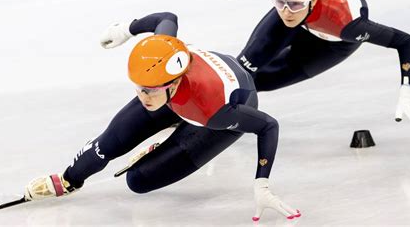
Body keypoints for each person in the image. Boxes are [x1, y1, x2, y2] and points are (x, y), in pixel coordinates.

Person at [21, 12, 301, 221]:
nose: (144, 97)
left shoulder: (214, 112)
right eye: (140, 89)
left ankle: (172, 137)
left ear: (174, 84)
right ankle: (71, 180)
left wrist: (262, 181)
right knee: (108, 143)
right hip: (180, 93)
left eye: (150, 91)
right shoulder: (161, 61)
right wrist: (127, 30)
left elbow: (268, 125)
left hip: (221, 106)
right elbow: (167, 18)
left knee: (139, 181)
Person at [216, 0, 410, 128]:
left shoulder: (349, 23)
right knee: (240, 73)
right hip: (305, 21)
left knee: (262, 82)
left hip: (330, 45)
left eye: (294, 4)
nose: (286, 12)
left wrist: (408, 90)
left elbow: (405, 42)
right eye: (279, 2)